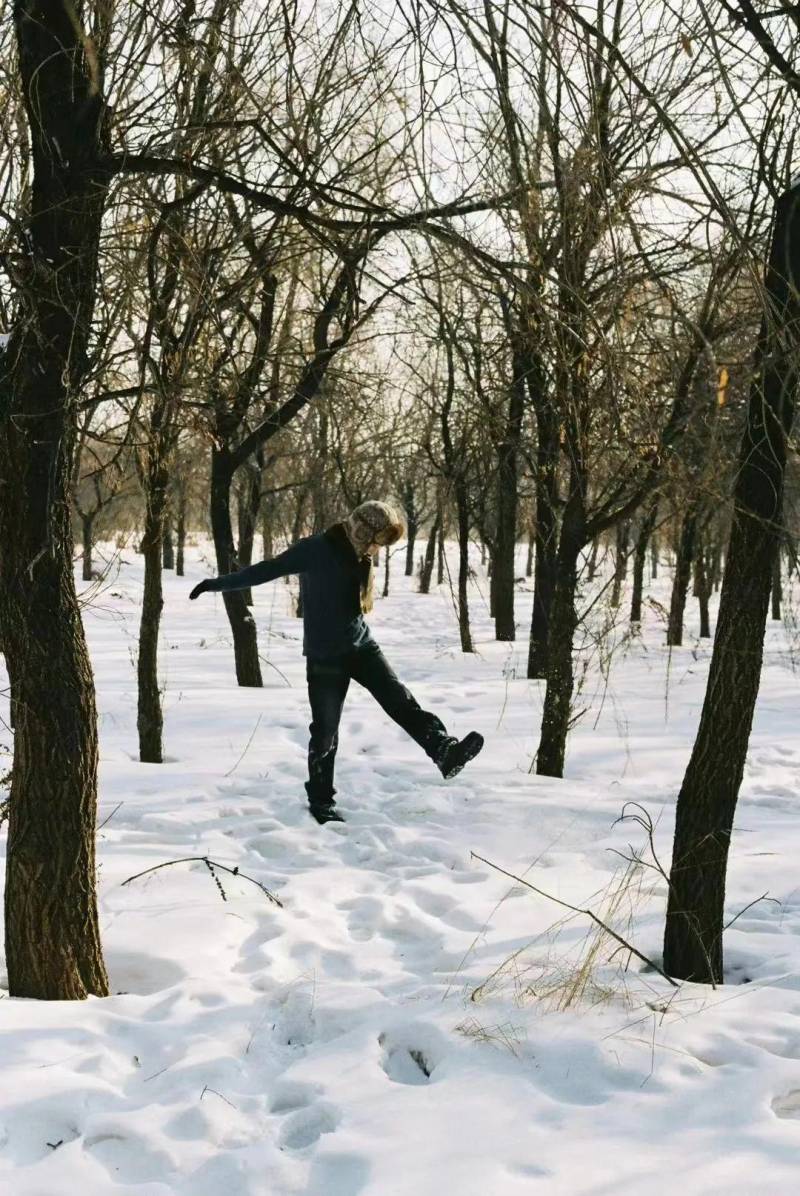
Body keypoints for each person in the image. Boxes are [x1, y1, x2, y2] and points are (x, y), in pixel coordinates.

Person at [190, 500, 484, 824]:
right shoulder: (315, 550)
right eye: (377, 540)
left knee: (400, 701)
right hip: (325, 656)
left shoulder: (361, 553)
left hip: (361, 646)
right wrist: (215, 584)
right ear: (361, 530)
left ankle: (444, 751)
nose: (378, 549)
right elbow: (265, 570)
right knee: (325, 733)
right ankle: (321, 802)